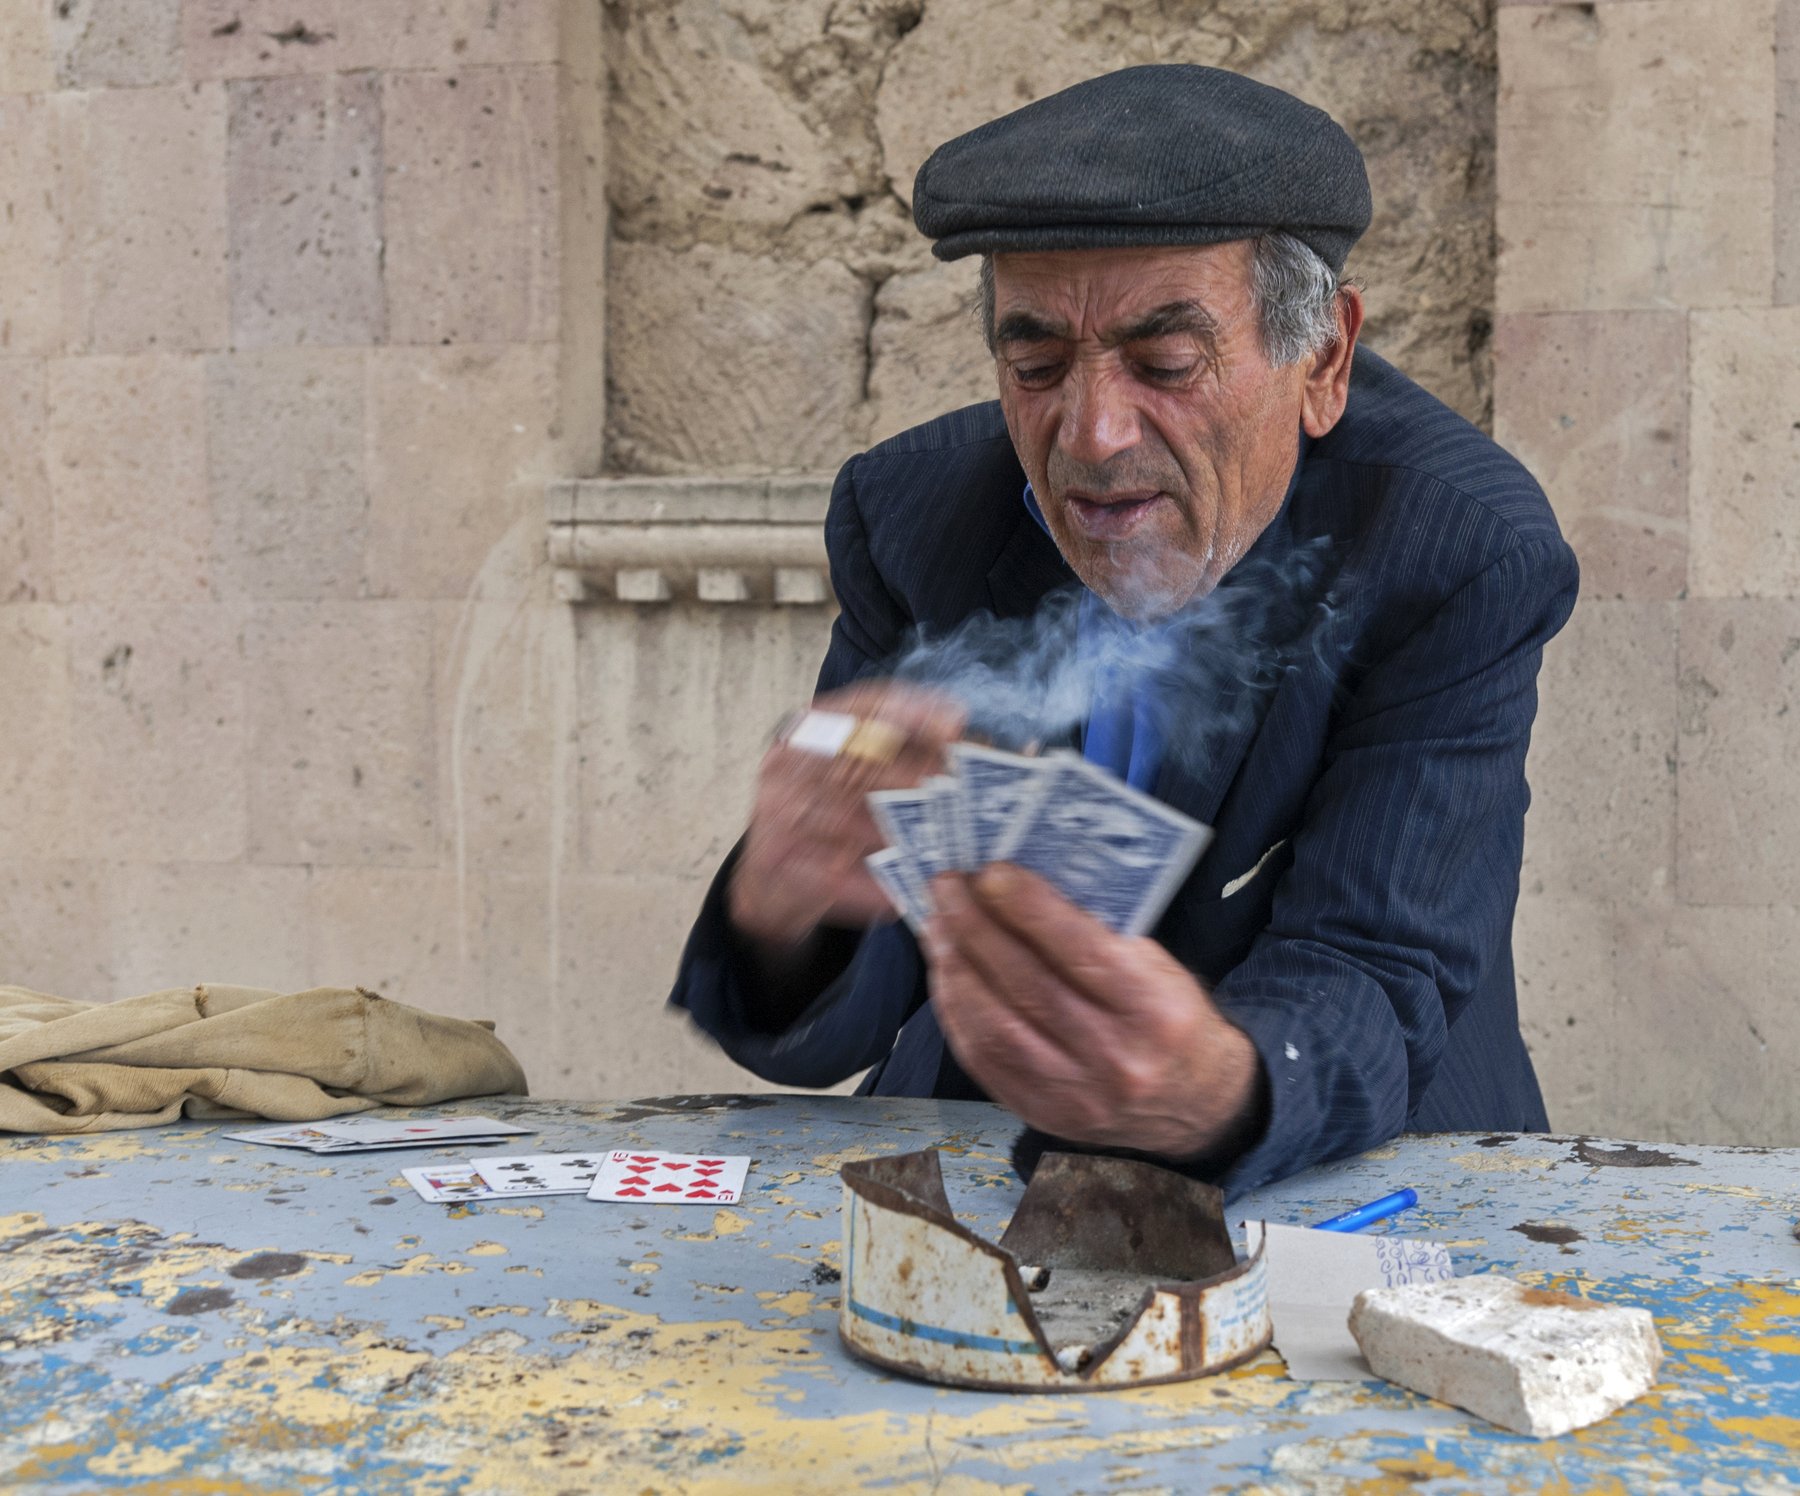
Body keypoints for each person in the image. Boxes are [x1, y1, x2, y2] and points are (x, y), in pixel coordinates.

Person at [667, 64, 1578, 1197]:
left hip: (1334, 1167)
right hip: (997, 1155)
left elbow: (1375, 969)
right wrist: (786, 908)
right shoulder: (915, 518)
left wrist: (1210, 1083)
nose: (1092, 437)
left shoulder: (1451, 547)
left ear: (1325, 360)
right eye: (1036, 365)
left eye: (1166, 365)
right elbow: (837, 1015)